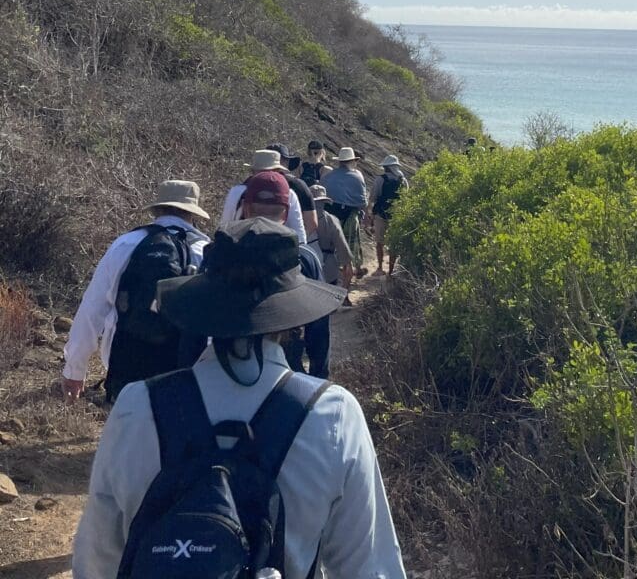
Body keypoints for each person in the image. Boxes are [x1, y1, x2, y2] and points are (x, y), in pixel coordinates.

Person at [72, 215, 407, 579]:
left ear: (204, 304)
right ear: (293, 319)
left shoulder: (137, 405)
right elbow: (369, 568)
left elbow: (97, 560)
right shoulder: (334, 414)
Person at [61, 180, 211, 403]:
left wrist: (75, 369)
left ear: (157, 209)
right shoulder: (206, 251)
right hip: (185, 370)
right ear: (193, 214)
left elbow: (92, 310)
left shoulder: (127, 243)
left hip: (127, 364)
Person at [239, 170, 331, 379]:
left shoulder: (219, 252)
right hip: (287, 372)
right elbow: (319, 327)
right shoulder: (305, 257)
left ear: (245, 208)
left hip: (227, 370)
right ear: (286, 213)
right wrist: (318, 378)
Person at [221, 148, 307, 241]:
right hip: (277, 249)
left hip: (242, 247)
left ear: (253, 170)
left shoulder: (237, 191)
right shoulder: (289, 194)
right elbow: (298, 231)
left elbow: (225, 224)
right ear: (277, 170)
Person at [321, 147, 368, 276]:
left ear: (340, 161)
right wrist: (367, 218)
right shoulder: (357, 177)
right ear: (352, 161)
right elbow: (362, 202)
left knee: (333, 248)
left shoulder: (327, 177)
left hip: (330, 216)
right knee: (350, 248)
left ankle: (334, 274)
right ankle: (351, 275)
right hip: (350, 216)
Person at [310, 184, 354, 306]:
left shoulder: (299, 219)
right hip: (328, 268)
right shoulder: (331, 220)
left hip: (306, 268)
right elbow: (343, 251)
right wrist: (345, 292)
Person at [266, 142, 318, 240]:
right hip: (286, 246)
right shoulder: (298, 186)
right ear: (286, 162)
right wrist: (294, 245)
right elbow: (312, 223)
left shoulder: (249, 184)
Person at [369, 155, 409, 276]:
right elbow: (406, 198)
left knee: (380, 242)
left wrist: (370, 214)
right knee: (393, 244)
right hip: (397, 216)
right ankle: (391, 270)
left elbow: (373, 197)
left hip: (381, 214)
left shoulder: (380, 179)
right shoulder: (403, 180)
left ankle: (380, 267)